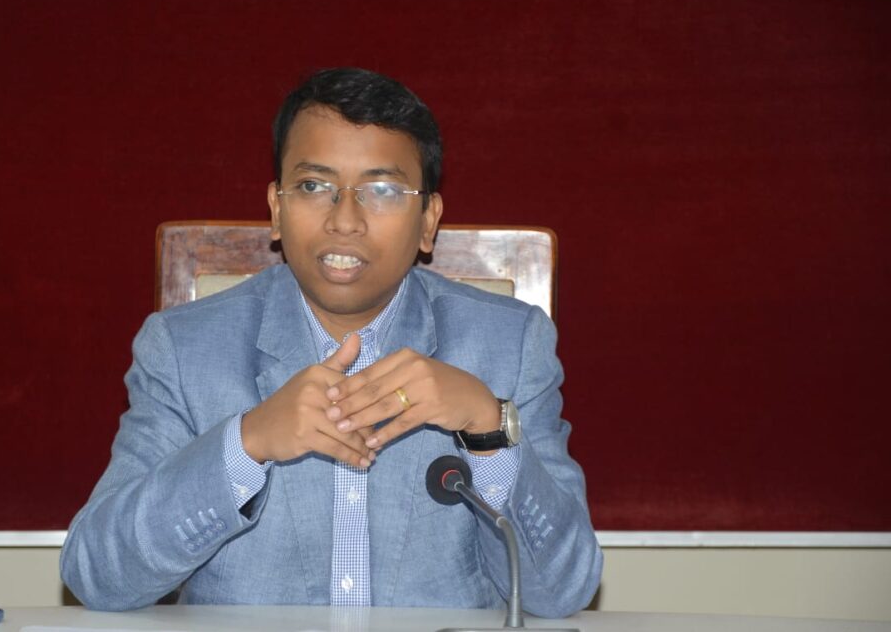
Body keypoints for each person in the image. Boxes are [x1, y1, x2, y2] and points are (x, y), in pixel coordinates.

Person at [60, 67, 602, 617]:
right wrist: (245, 444)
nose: (345, 220)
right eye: (314, 186)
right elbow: (98, 578)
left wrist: (487, 428)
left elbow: (560, 594)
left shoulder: (509, 344)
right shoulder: (183, 349)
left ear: (428, 221)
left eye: (382, 190)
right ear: (276, 210)